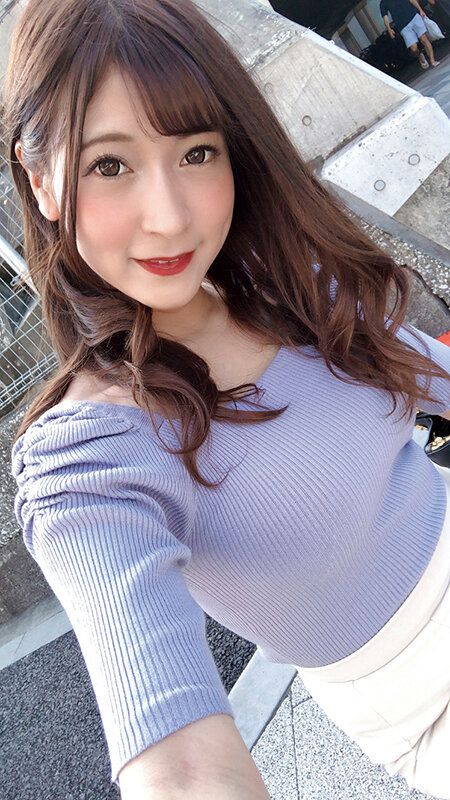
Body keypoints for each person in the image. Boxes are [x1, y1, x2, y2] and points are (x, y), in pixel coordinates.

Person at [5, 0, 450, 798]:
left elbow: (432, 372)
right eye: (110, 165)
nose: (170, 216)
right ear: (41, 182)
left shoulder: (286, 289)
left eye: (197, 152)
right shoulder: (89, 457)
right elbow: (180, 769)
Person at [380, 0, 441, 67]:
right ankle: (420, 56)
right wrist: (389, 29)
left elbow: (412, 0)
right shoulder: (383, 3)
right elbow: (385, 18)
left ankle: (432, 61)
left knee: (424, 39)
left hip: (414, 17)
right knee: (413, 48)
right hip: (403, 26)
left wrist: (420, 10)